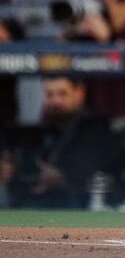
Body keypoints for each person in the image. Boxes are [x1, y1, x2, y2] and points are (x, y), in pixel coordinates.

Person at [3, 77, 116, 208]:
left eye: (62, 94)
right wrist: (11, 171)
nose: (56, 101)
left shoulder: (97, 129)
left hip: (83, 208)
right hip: (26, 207)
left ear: (79, 93)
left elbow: (91, 172)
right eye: (49, 94)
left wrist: (62, 176)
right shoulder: (31, 133)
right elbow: (22, 171)